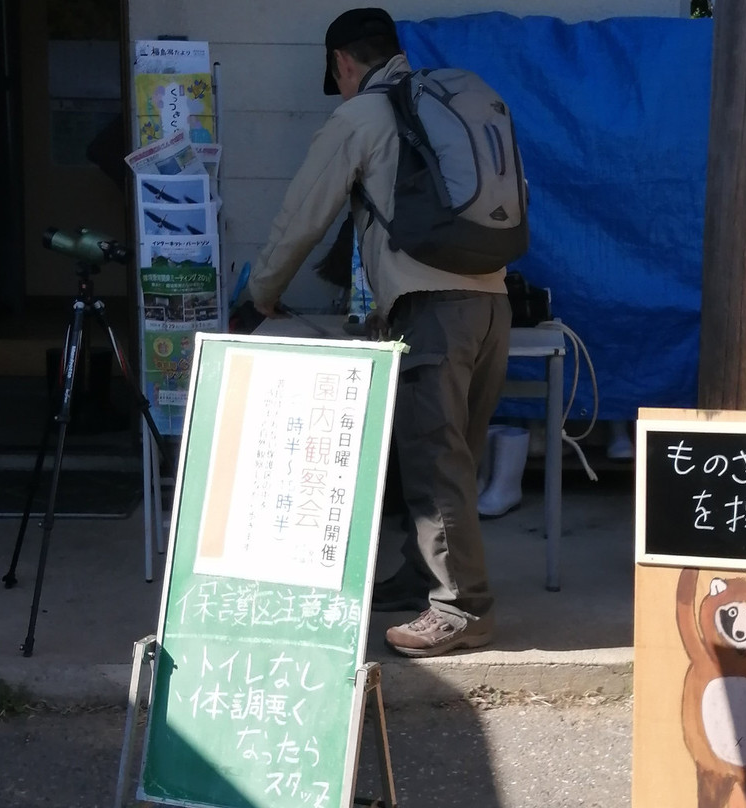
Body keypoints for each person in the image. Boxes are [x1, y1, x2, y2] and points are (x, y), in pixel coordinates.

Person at [248, 8, 514, 658]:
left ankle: (460, 609)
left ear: (343, 62)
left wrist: (261, 294)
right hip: (492, 302)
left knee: (433, 460)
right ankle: (425, 574)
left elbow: (302, 216)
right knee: (454, 455)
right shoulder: (440, 102)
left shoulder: (363, 116)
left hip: (433, 311)